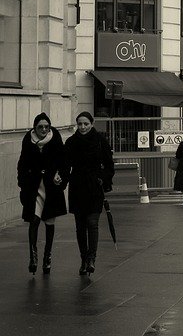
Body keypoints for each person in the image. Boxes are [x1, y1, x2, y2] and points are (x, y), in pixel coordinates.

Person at [17, 112, 68, 275]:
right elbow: (22, 164)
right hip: (33, 188)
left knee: (49, 222)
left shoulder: (56, 139)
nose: (44, 129)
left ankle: (47, 257)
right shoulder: (28, 140)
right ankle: (33, 257)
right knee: (34, 220)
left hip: (51, 188)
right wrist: (23, 183)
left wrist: (60, 176)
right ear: (35, 127)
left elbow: (64, 162)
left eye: (46, 126)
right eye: (40, 127)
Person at [65, 111, 114, 275]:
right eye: (80, 124)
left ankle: (92, 258)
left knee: (92, 223)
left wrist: (102, 178)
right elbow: (65, 165)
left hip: (94, 187)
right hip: (77, 187)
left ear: (92, 124)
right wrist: (60, 177)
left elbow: (109, 166)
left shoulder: (100, 141)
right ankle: (83, 259)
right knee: (80, 227)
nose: (83, 127)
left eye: (86, 124)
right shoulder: (71, 142)